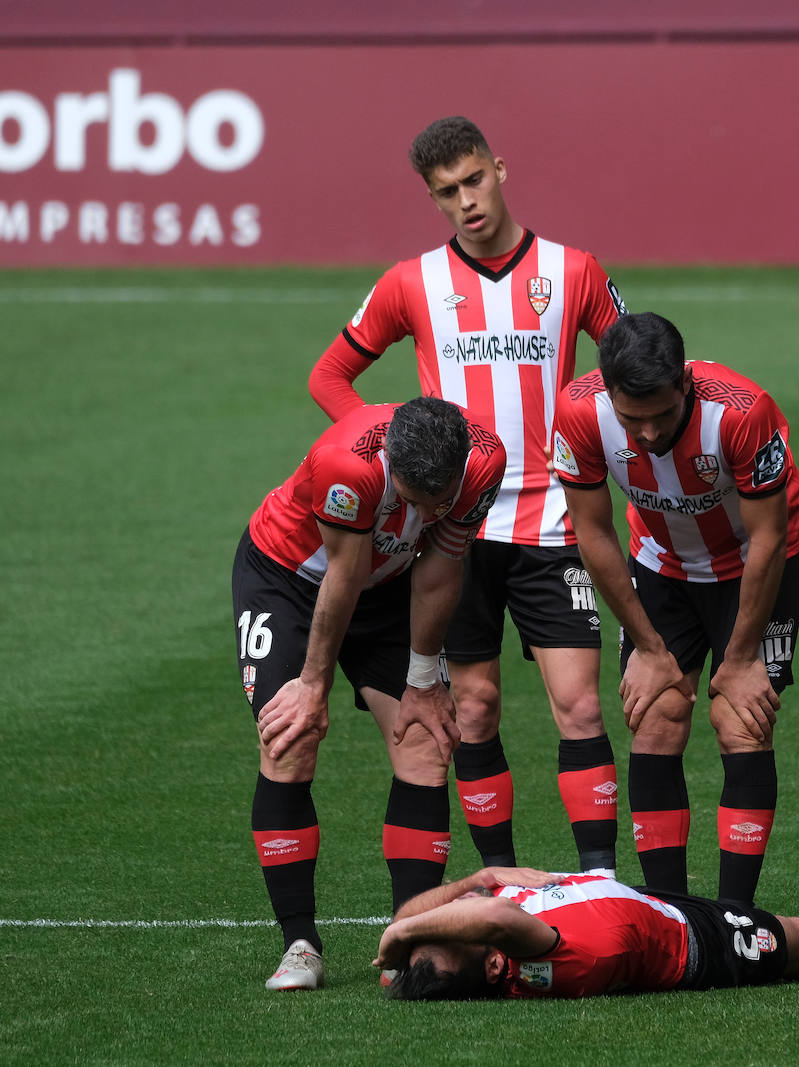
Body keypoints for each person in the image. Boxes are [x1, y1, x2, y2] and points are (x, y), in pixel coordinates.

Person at [308, 116, 628, 877]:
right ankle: (502, 883)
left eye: (474, 180)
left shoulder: (573, 269)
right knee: (475, 708)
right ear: (432, 197)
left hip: (553, 523)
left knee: (580, 705)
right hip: (454, 537)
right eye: (447, 192)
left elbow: (631, 373)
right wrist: (387, 446)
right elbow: (328, 378)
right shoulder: (409, 283)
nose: (466, 201)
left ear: (500, 169)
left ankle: (601, 882)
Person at [232, 396, 506, 990]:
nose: (430, 510)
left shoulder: (485, 462)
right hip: (291, 581)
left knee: (424, 742)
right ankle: (300, 944)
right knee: (291, 737)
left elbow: (439, 570)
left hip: (388, 584)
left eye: (441, 499)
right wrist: (312, 685)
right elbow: (343, 576)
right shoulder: (345, 466)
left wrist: (423, 680)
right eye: (413, 501)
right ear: (389, 464)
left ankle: (406, 937)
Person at [551, 312, 799, 905]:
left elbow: (769, 536)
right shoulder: (578, 413)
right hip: (661, 561)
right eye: (630, 419)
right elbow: (593, 533)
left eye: (661, 416)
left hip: (756, 564)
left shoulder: (744, 413)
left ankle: (735, 918)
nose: (644, 434)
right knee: (657, 715)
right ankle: (667, 913)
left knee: (739, 721)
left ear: (685, 386)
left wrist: (742, 658)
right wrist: (647, 646)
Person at [374, 867, 799, 1000]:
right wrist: (396, 936)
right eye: (455, 924)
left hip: (651, 904)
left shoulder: (472, 955)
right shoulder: (525, 956)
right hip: (695, 946)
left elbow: (440, 917)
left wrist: (476, 881)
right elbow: (492, 918)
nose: (461, 906)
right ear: (494, 963)